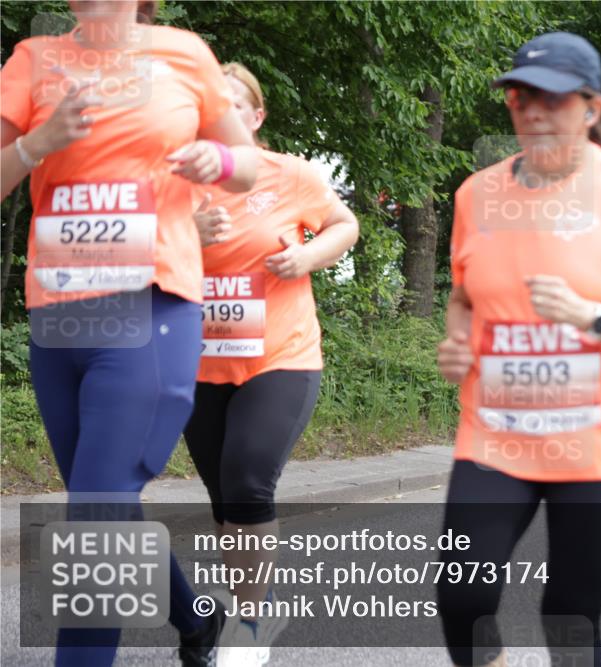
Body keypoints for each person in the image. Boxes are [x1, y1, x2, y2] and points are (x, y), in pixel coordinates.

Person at [0, 1, 258, 665]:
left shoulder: (182, 54)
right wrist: (35, 144)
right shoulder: (33, 61)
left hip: (151, 310)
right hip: (59, 320)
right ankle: (196, 617)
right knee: (103, 503)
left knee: (95, 522)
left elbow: (249, 165)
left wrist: (218, 162)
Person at [435, 32, 601, 667]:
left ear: (592, 108)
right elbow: (466, 294)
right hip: (497, 433)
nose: (533, 112)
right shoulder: (475, 195)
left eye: (553, 99)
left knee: (569, 614)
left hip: (599, 442)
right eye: (520, 97)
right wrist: (459, 337)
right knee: (462, 597)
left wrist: (589, 316)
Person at [182, 62, 359, 667]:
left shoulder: (291, 175)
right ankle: (253, 599)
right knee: (225, 501)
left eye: (232, 106)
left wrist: (309, 254)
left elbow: (345, 224)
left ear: (255, 118)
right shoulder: (177, 181)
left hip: (280, 357)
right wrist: (186, 234)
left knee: (249, 480)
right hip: (200, 363)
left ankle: (250, 625)